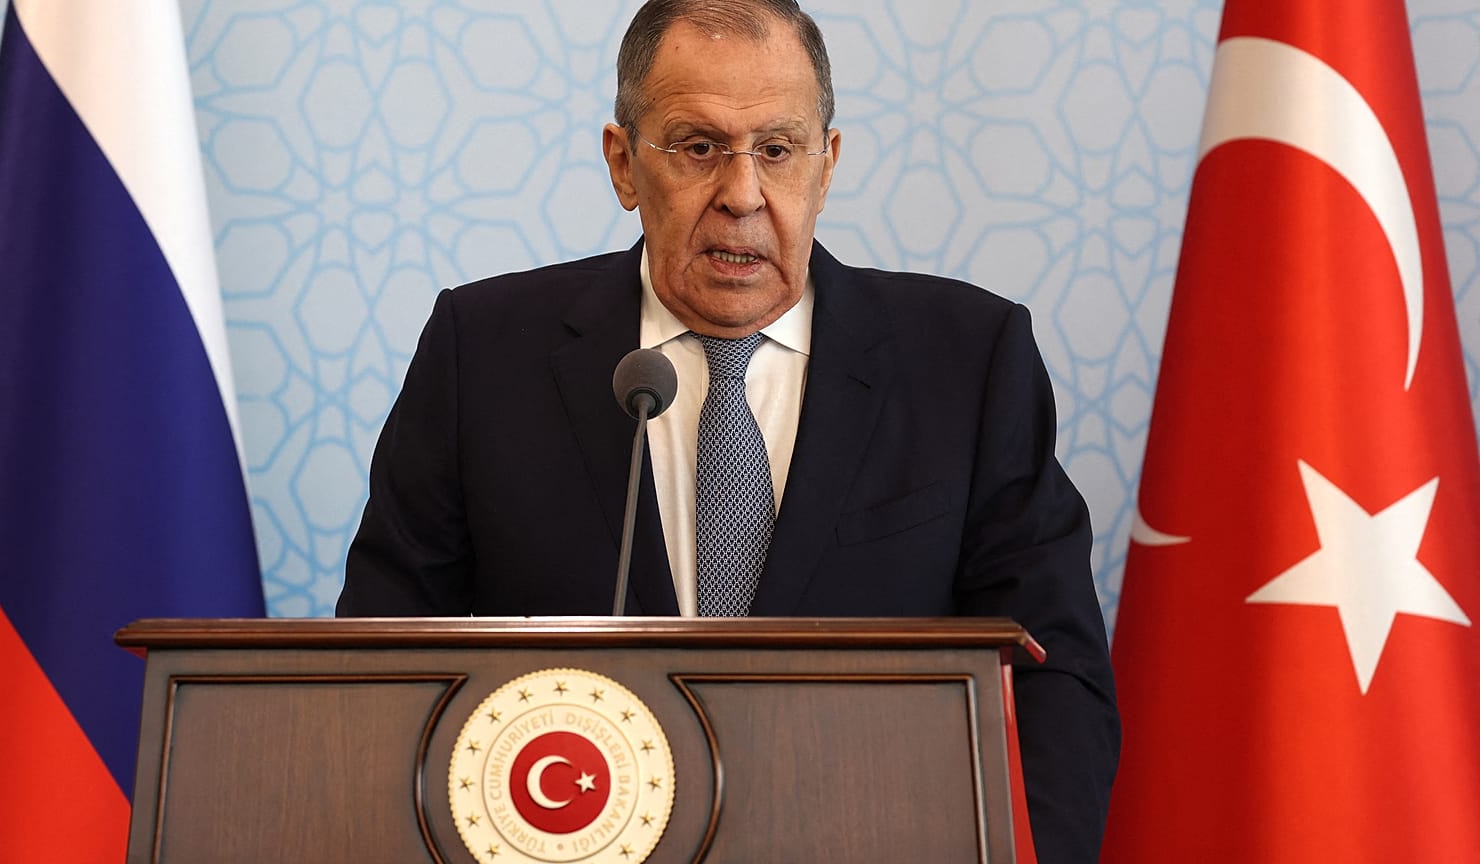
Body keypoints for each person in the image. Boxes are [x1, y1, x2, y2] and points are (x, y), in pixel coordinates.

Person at [338, 1, 1119, 860]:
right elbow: (383, 666)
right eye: (699, 147)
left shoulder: (967, 362)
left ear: (827, 164)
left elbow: (1056, 683)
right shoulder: (483, 352)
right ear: (624, 164)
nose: (742, 195)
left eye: (777, 150)